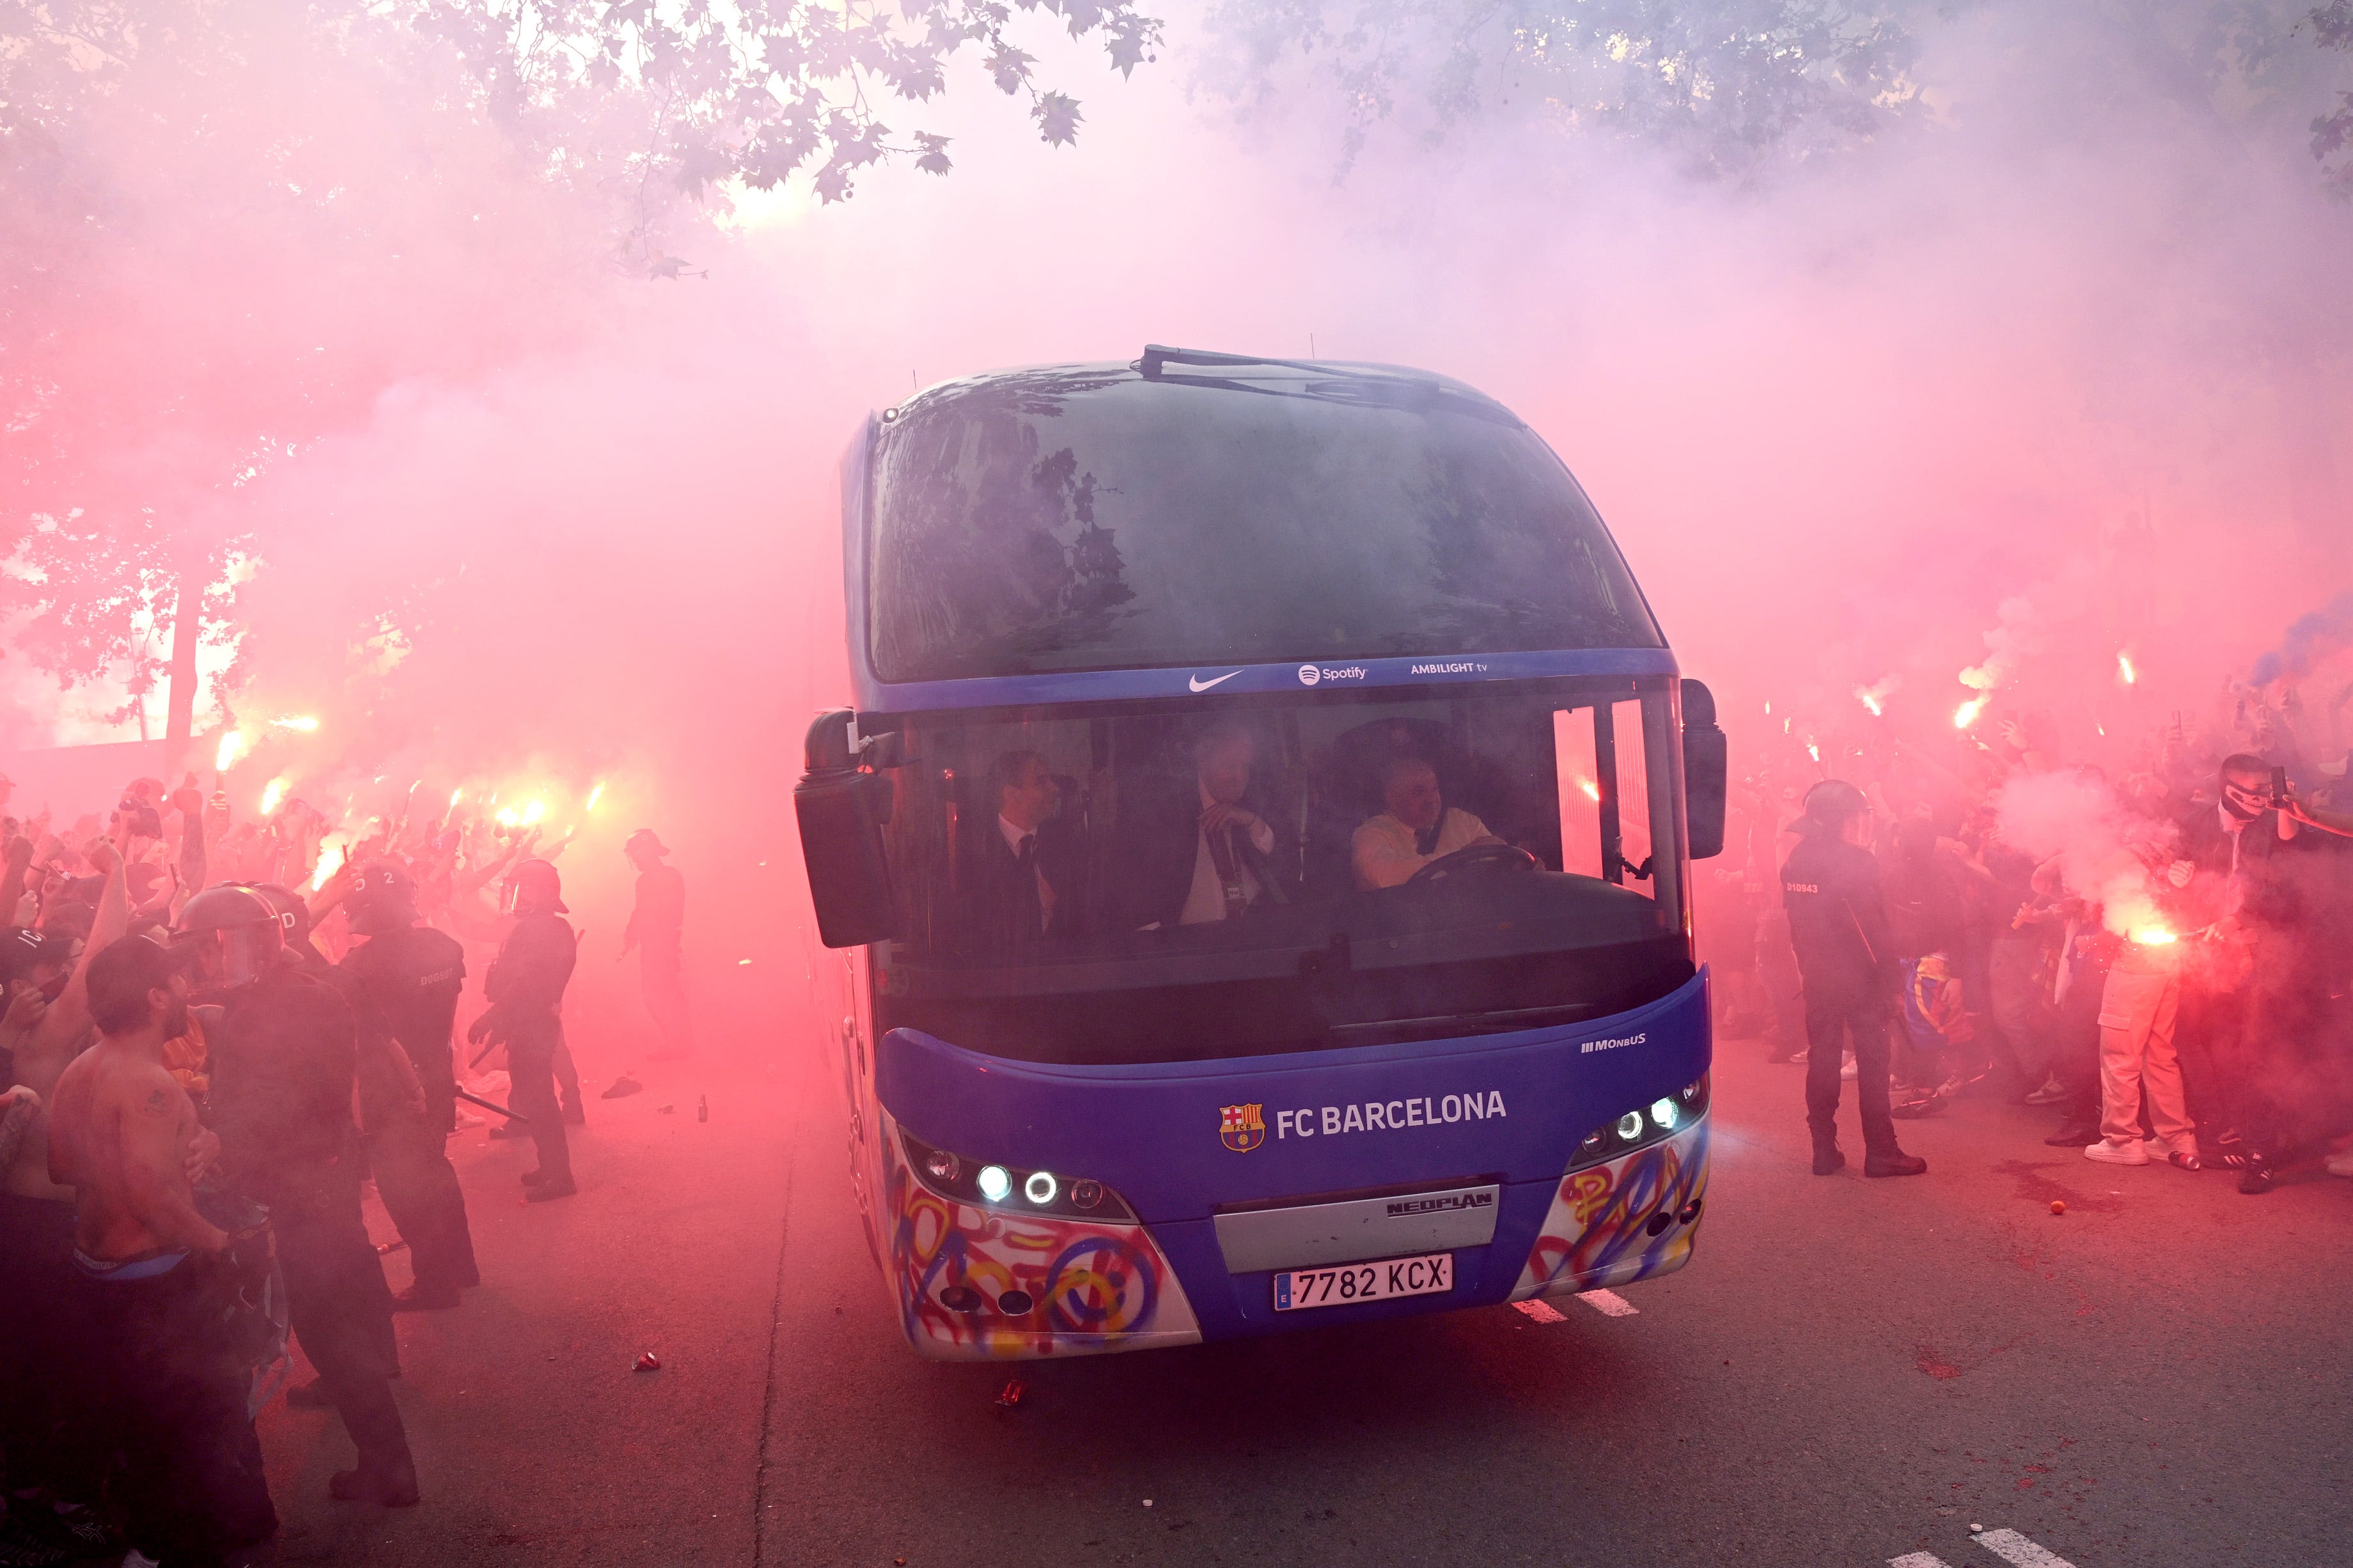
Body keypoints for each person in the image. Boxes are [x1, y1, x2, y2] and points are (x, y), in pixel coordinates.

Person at [177, 883, 419, 1505]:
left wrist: (216, 1135)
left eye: (209, 949)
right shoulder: (303, 992)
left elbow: (270, 1109)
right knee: (339, 1321)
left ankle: (388, 1466)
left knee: (328, 1329)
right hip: (324, 1175)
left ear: (238, 946)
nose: (201, 965)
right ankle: (385, 1459)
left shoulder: (267, 1011)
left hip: (298, 1184)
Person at [47, 935, 277, 1567]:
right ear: (155, 996)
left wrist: (189, 1138)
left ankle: (153, 1548)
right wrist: (225, 1243)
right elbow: (150, 1196)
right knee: (188, 1442)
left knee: (142, 1437)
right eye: (177, 980)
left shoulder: (80, 1069)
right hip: (157, 1286)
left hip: (97, 1280)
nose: (187, 990)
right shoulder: (150, 1081)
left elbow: (63, 1165)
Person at [0, 844, 126, 1565]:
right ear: (19, 982)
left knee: (44, 1376)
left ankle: (43, 1501)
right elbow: (97, 964)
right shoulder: (41, 1040)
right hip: (35, 1238)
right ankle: (47, 1509)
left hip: (47, 1232)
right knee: (49, 1376)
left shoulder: (35, 1037)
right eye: (50, 964)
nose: (65, 970)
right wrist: (118, 868)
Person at [331, 861, 480, 1309]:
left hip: (390, 1086)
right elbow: (446, 1014)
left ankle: (436, 1283)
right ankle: (461, 1266)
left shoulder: (357, 966)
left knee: (405, 1186)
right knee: (436, 1169)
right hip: (435, 1070)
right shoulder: (444, 946)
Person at [1778, 780, 1927, 1178]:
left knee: (1822, 1061)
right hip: (1862, 981)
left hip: (1818, 978)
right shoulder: (1857, 862)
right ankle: (1882, 1152)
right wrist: (1893, 985)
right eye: (1853, 816)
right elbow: (1874, 931)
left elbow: (1796, 928)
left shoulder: (1795, 862)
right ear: (1837, 820)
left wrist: (1808, 968)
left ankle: (1823, 1150)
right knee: (1874, 1066)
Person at [470, 858, 579, 1200]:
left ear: (542, 892)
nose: (516, 895)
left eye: (523, 888)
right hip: (527, 1022)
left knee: (541, 1102)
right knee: (536, 1098)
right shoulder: (546, 927)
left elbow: (524, 984)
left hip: (531, 1023)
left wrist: (492, 1016)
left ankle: (560, 1177)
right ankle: (550, 1166)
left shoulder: (542, 929)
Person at [1125, 724, 1292, 928]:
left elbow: (1289, 870)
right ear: (1202, 763)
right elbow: (1139, 891)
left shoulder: (1257, 802)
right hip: (1186, 945)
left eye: (1245, 767)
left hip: (1255, 936)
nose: (1239, 777)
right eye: (1230, 766)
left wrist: (1252, 821)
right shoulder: (1168, 808)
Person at [969, 751, 1077, 948]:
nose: (1055, 788)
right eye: (1041, 782)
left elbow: (1085, 917)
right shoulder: (974, 853)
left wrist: (1057, 909)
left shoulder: (1068, 845)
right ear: (1012, 795)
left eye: (1051, 780)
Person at [1353, 754, 1504, 890]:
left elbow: (1499, 862)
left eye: (1435, 789)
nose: (1432, 799)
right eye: (1420, 792)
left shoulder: (1463, 822)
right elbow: (1385, 877)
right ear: (1392, 798)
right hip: (1401, 920)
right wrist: (1463, 856)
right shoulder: (1371, 834)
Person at [620, 829, 693, 1058]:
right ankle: (680, 1042)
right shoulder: (655, 878)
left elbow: (653, 912)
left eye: (636, 853)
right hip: (658, 943)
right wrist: (632, 934)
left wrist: (636, 933)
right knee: (667, 993)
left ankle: (678, 1044)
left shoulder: (662, 877)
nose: (634, 859)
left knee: (658, 994)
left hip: (659, 944)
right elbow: (642, 911)